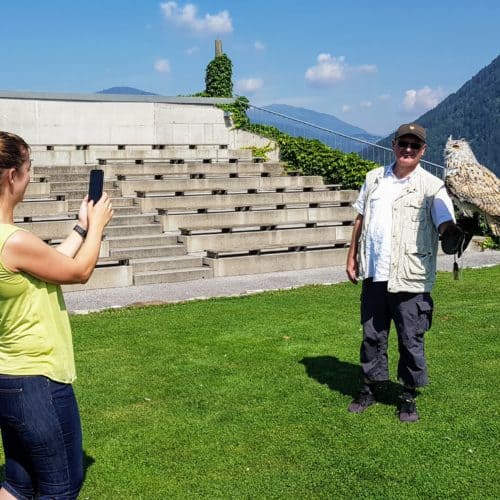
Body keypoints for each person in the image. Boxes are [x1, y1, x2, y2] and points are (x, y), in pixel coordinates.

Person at [0, 131, 113, 498]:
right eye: (28, 168)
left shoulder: (12, 243)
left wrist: (80, 228)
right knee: (60, 487)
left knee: (17, 482)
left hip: (8, 377)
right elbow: (78, 272)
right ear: (11, 176)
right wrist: (97, 226)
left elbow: (53, 262)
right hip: (38, 380)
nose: (30, 176)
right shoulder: (12, 241)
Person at [345, 123, 463, 422]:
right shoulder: (373, 179)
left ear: (423, 150)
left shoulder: (432, 186)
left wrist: (452, 232)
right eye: (403, 143)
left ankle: (408, 395)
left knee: (411, 339)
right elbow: (360, 219)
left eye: (415, 145)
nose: (408, 149)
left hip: (411, 276)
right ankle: (370, 387)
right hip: (374, 272)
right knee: (372, 335)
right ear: (394, 144)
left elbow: (444, 221)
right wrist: (351, 257)